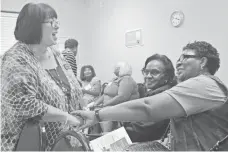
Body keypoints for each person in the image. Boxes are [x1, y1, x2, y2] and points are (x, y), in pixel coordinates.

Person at [73, 41, 228, 151]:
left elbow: (148, 107)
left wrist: (98, 114)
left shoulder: (203, 84)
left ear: (203, 62)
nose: (179, 62)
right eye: (178, 59)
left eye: (185, 57)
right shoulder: (197, 87)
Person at [1, 3, 83, 151]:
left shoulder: (55, 53)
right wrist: (66, 117)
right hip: (32, 144)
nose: (57, 26)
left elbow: (71, 87)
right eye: (52, 22)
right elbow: (24, 104)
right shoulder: (16, 58)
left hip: (66, 142)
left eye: (57, 22)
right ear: (32, 26)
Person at [125, 54, 177, 143]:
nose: (148, 76)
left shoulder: (162, 96)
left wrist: (118, 133)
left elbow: (141, 129)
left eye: (155, 72)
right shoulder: (156, 91)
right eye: (146, 71)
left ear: (167, 76)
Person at [89, 62, 139, 132]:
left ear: (123, 69)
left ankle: (106, 134)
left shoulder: (127, 79)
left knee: (103, 112)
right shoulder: (115, 79)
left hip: (121, 107)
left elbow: (122, 97)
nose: (114, 69)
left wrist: (105, 104)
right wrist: (96, 103)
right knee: (92, 111)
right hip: (110, 105)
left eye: (117, 68)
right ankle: (96, 135)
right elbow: (105, 94)